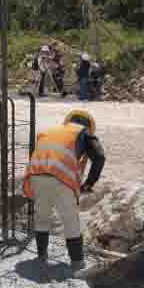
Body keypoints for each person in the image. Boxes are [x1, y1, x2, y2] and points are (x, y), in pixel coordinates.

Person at [22, 109, 106, 271]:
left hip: (36, 176)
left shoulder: (49, 131)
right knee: (70, 220)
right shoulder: (83, 133)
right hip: (60, 177)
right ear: (88, 126)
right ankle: (77, 263)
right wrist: (89, 183)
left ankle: (41, 256)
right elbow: (99, 156)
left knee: (42, 216)